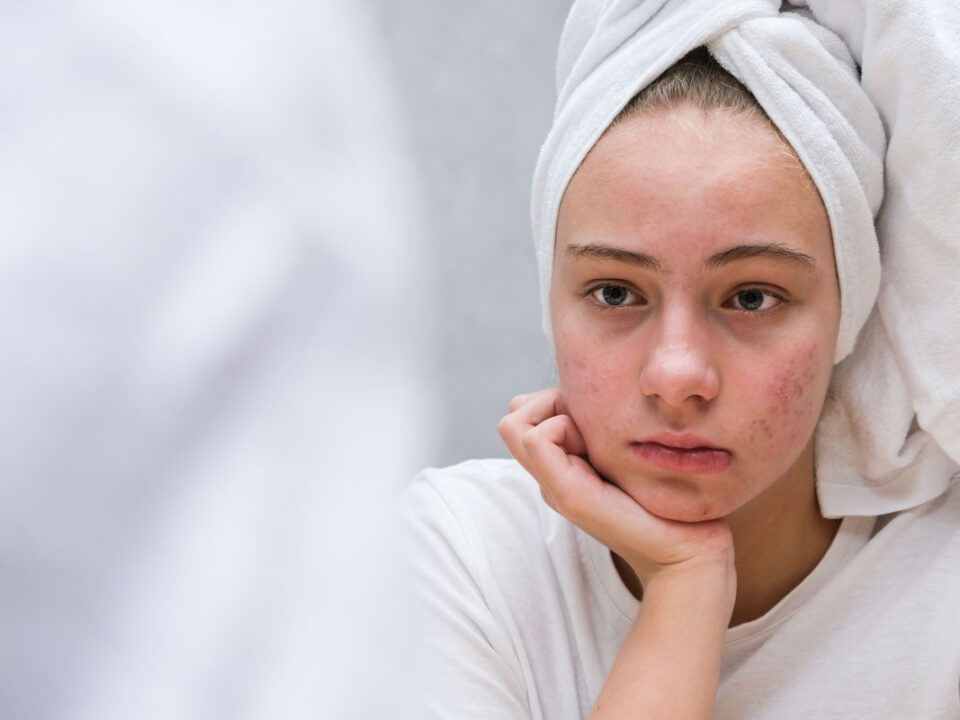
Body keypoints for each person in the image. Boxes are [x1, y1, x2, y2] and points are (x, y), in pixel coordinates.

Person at [403, 2, 960, 718]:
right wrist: (685, 585)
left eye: (752, 299)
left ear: (848, 313)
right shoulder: (463, 557)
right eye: (615, 293)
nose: (676, 376)